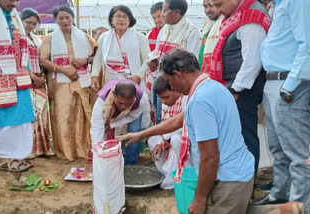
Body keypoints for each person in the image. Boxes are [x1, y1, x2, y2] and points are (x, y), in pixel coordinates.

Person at [122, 48, 255, 214]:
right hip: (239, 173)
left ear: (178, 75)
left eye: (170, 81)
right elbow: (178, 120)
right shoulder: (213, 87)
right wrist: (141, 134)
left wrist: (199, 199)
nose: (171, 86)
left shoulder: (200, 101)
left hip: (229, 180)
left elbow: (210, 158)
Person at [254, 0, 310, 212]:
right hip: (274, 82)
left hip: (289, 84)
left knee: (298, 155)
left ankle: (300, 207)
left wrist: (290, 85)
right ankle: (281, 196)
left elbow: (307, 44)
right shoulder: (277, 5)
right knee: (278, 149)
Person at [208, 0, 271, 175]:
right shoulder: (238, 15)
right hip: (234, 88)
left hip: (243, 91)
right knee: (235, 137)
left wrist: (236, 90)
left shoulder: (251, 17)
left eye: (219, 4)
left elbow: (252, 61)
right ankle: (239, 182)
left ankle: (246, 187)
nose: (218, 10)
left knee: (245, 138)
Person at [39, 6, 97, 161]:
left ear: (72, 18)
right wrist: (64, 70)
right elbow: (43, 60)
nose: (64, 21)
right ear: (56, 20)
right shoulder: (50, 38)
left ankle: (82, 149)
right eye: (61, 18)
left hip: (81, 82)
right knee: (62, 116)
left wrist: (86, 60)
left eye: (67, 17)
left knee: (81, 116)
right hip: (59, 83)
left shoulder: (84, 37)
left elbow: (97, 54)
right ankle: (66, 152)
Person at [0, 0, 34, 172]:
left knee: (20, 118)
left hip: (17, 77)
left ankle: (16, 156)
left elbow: (21, 48)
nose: (15, 4)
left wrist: (27, 72)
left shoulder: (13, 17)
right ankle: (0, 158)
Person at [148, 0, 201, 125]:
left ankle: (168, 143)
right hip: (158, 79)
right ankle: (160, 142)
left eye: (164, 11)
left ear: (176, 12)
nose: (162, 15)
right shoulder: (165, 29)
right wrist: (153, 60)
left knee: (171, 120)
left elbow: (190, 63)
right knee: (158, 117)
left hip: (174, 86)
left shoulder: (192, 31)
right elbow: (156, 51)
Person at [91, 5, 150, 92]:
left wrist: (139, 76)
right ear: (111, 19)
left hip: (133, 81)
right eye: (118, 16)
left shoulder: (139, 37)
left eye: (125, 16)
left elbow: (147, 60)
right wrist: (94, 75)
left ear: (130, 20)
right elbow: (98, 58)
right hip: (110, 80)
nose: (121, 19)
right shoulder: (104, 37)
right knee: (110, 104)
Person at [90, 79, 150, 165]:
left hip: (134, 113)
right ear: (114, 95)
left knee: (135, 130)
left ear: (134, 98)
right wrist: (99, 155)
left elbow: (133, 117)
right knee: (100, 136)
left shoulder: (141, 98)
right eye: (120, 102)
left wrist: (112, 125)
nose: (123, 107)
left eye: (127, 104)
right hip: (109, 109)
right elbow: (96, 129)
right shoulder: (101, 101)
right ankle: (106, 160)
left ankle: (130, 162)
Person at [20, 8, 53, 158]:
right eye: (28, 22)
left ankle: (42, 149)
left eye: (34, 24)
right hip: (24, 81)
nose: (31, 26)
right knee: (29, 115)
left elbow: (42, 59)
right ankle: (29, 150)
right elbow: (17, 62)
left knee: (41, 114)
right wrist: (32, 77)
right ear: (21, 20)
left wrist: (42, 77)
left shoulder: (36, 39)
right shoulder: (16, 38)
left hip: (39, 80)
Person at [148, 74, 189, 189]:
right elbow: (163, 124)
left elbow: (184, 125)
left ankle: (175, 179)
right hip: (168, 136)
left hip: (185, 138)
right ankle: (165, 175)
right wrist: (162, 141)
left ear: (175, 90)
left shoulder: (186, 99)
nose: (163, 101)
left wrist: (166, 138)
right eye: (160, 98)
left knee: (176, 139)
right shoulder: (165, 104)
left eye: (166, 97)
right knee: (152, 140)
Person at [146, 1, 165, 125]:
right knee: (155, 111)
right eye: (154, 18)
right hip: (154, 76)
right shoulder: (150, 34)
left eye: (159, 16)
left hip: (167, 78)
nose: (157, 20)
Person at [199, 0, 222, 72]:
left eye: (211, 5)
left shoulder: (226, 24)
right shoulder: (207, 24)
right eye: (205, 6)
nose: (207, 10)